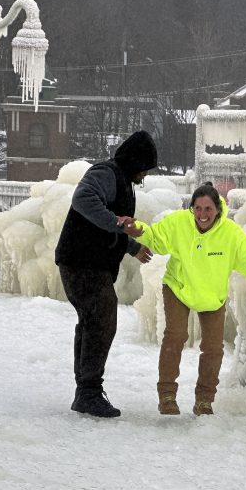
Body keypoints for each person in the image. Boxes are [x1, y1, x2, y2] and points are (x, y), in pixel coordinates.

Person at [123, 182, 246, 416]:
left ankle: (204, 401)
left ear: (218, 210)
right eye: (198, 208)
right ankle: (167, 395)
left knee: (213, 348)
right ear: (192, 208)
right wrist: (136, 228)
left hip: (212, 296)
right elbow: (155, 237)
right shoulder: (179, 223)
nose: (202, 214)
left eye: (208, 209)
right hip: (178, 287)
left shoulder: (231, 234)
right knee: (176, 336)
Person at [54, 131, 157, 418]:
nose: (146, 174)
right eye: (146, 166)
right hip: (80, 261)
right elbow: (84, 199)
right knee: (101, 319)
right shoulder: (106, 173)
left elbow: (110, 226)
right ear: (136, 161)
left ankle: (86, 391)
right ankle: (88, 391)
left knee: (92, 321)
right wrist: (117, 224)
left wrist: (131, 245)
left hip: (86, 261)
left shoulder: (122, 179)